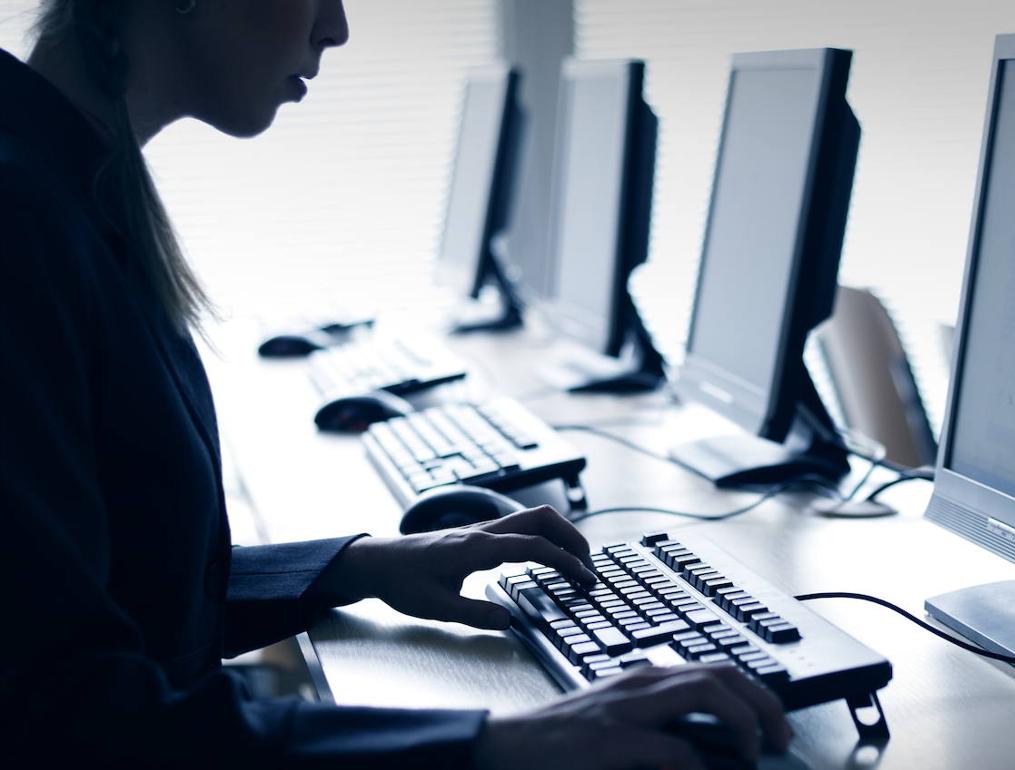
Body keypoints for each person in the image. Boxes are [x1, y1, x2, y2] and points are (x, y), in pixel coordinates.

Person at [0, 1, 793, 767]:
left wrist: (358, 568)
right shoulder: (20, 222)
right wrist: (495, 745)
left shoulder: (74, 186)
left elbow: (102, 594)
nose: (336, 27)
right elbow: (60, 715)